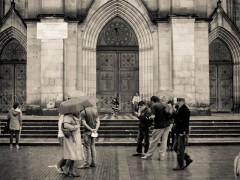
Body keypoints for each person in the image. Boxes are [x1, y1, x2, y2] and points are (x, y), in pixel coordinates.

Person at [141, 96, 172, 161]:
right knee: (164, 141)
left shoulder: (154, 105)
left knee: (154, 141)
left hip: (159, 125)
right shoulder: (164, 104)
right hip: (167, 125)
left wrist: (148, 118)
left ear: (152, 100)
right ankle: (162, 156)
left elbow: (153, 116)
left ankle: (148, 155)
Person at [172, 98, 193, 170]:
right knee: (175, 147)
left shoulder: (185, 110)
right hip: (178, 131)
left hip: (182, 132)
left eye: (179, 101)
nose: (177, 102)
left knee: (180, 149)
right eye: (177, 101)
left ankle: (180, 165)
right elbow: (177, 119)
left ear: (182, 101)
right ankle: (187, 158)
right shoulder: (179, 109)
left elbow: (185, 122)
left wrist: (183, 131)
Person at [62, 112, 84, 177]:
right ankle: (66, 168)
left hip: (75, 138)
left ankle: (71, 171)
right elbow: (65, 125)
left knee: (74, 155)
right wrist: (75, 126)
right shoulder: (67, 116)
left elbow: (77, 121)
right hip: (71, 138)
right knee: (72, 154)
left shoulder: (72, 116)